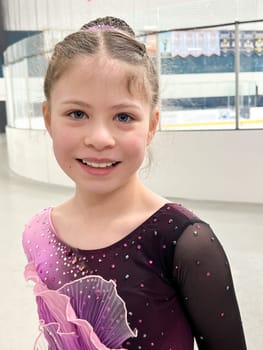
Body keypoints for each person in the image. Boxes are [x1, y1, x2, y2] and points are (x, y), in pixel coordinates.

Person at [22, 16, 247, 350]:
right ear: (48, 117)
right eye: (77, 114)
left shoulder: (185, 242)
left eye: (123, 117)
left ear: (151, 125)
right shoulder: (38, 232)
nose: (99, 138)